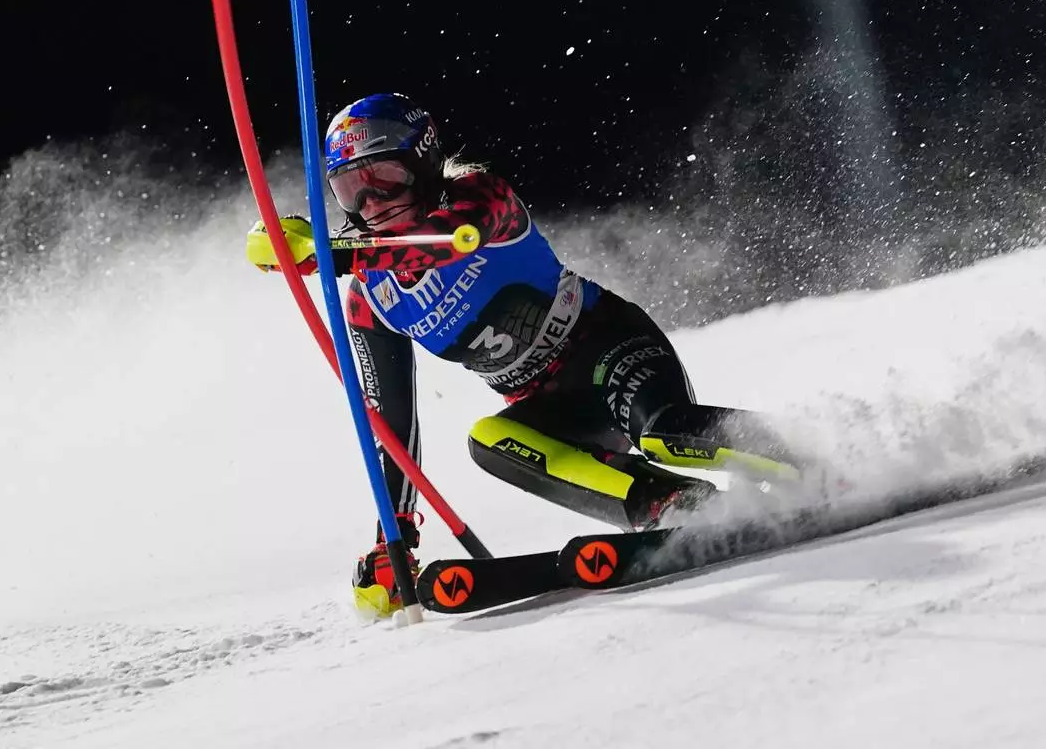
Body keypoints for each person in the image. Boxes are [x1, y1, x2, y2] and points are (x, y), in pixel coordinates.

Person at [247, 93, 794, 617]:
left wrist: (326, 253)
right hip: (553, 409)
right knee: (489, 441)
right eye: (350, 190)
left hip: (608, 351)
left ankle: (807, 458)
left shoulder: (480, 196)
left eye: (384, 179)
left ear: (424, 162)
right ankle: (674, 504)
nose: (371, 203)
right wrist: (394, 539)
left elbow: (451, 239)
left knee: (663, 433)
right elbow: (392, 426)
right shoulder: (372, 300)